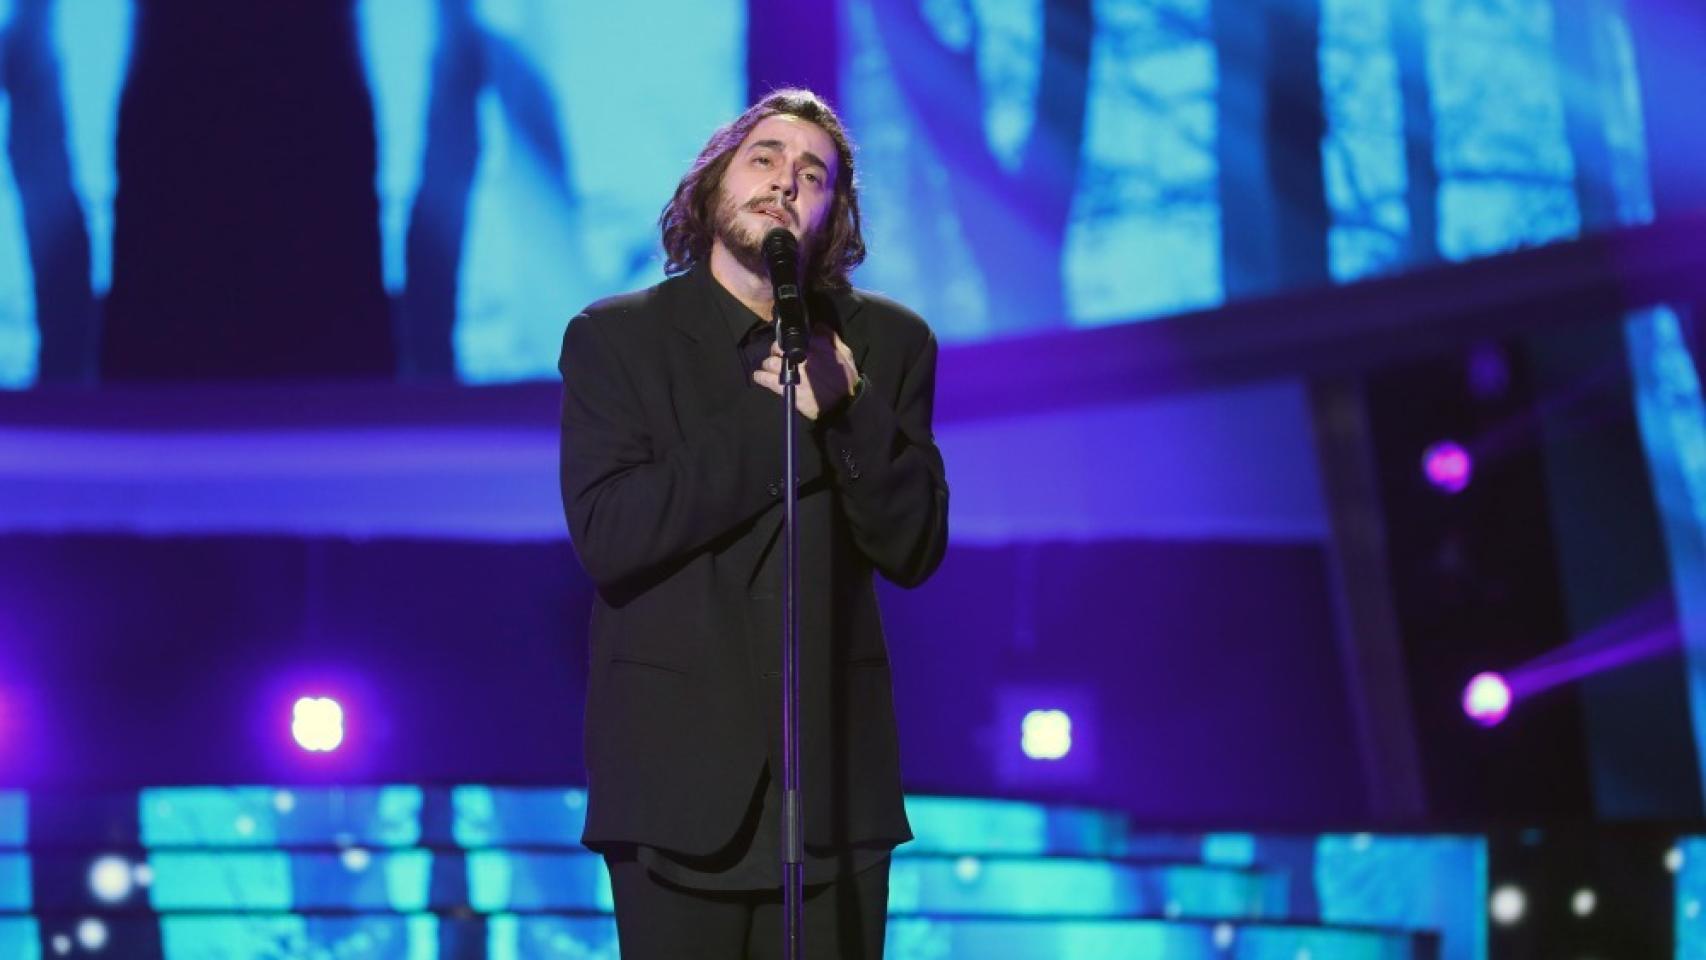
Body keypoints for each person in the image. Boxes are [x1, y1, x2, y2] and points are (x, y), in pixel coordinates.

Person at [557, 89, 948, 958]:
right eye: (764, 159)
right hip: (673, 786)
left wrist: (846, 409)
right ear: (710, 188)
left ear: (832, 215)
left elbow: (914, 544)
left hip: (835, 791)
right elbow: (612, 535)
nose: (785, 184)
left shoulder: (889, 343)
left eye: (813, 176)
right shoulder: (617, 340)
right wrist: (766, 412)